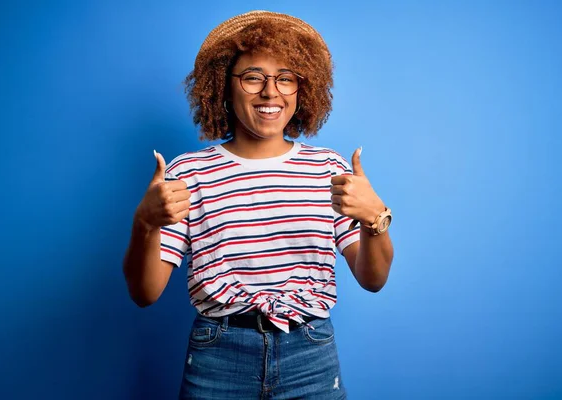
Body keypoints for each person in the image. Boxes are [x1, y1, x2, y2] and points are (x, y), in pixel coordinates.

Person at [123, 10, 394, 399]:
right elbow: (144, 293)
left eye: (285, 78)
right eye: (253, 77)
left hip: (310, 354)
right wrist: (144, 223)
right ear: (223, 86)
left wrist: (375, 219)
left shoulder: (328, 170)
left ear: (302, 88)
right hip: (218, 354)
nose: (271, 92)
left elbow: (373, 280)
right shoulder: (188, 173)